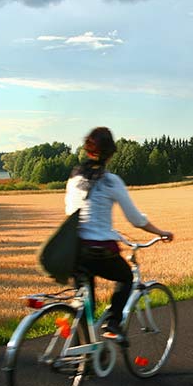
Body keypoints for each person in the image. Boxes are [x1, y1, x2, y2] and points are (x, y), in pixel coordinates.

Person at [65, 127, 173, 341]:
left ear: (87, 151)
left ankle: (83, 358)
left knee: (86, 307)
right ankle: (112, 323)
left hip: (74, 251)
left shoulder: (74, 179)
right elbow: (136, 220)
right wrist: (160, 232)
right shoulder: (110, 181)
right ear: (111, 154)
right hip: (98, 250)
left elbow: (70, 211)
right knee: (126, 277)